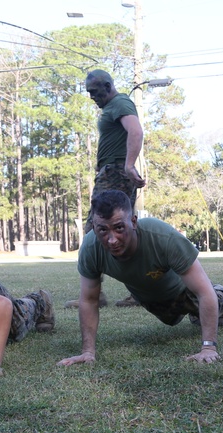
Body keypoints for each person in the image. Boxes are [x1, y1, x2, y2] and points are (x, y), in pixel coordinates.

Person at [56, 190, 223, 367]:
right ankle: (198, 316)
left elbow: (203, 292)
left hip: (185, 291)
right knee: (172, 319)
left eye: (119, 228)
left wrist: (208, 348)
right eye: (102, 230)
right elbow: (89, 300)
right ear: (94, 227)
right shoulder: (91, 247)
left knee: (210, 301)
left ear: (133, 222)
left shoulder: (162, 237)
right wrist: (88, 351)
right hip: (153, 300)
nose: (111, 240)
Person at [65, 69, 147, 309]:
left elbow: (136, 131)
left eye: (94, 91)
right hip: (112, 173)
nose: (91, 96)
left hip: (114, 175)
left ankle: (95, 295)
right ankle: (140, 290)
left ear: (108, 86)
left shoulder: (120, 102)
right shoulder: (113, 108)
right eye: (89, 92)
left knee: (97, 229)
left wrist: (128, 165)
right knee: (126, 230)